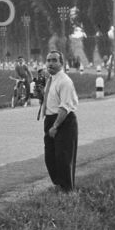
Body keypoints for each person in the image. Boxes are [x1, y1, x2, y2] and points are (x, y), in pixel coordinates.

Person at [38, 49, 79, 192]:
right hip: (50, 120)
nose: (50, 63)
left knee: (64, 158)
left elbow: (65, 107)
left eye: (54, 60)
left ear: (61, 63)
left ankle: (67, 190)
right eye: (48, 60)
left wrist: (55, 126)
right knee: (50, 157)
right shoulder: (51, 79)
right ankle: (59, 185)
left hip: (63, 121)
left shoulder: (65, 81)